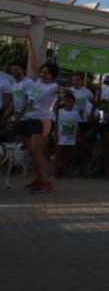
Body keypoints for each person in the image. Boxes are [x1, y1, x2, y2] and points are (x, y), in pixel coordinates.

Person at [22, 38, 59, 193]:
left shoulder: (53, 86)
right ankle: (39, 179)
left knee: (38, 153)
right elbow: (33, 64)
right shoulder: (36, 82)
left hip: (43, 121)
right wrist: (30, 46)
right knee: (32, 152)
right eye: (42, 72)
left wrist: (67, 90)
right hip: (30, 118)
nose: (43, 74)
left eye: (46, 73)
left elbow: (64, 89)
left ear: (52, 75)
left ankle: (45, 183)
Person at [55, 92, 86, 178]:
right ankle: (58, 169)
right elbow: (57, 124)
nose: (68, 103)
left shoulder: (76, 112)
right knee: (59, 152)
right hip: (61, 136)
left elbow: (78, 125)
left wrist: (77, 136)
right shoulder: (60, 112)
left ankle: (65, 170)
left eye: (70, 101)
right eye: (66, 101)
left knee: (68, 154)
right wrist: (56, 135)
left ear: (73, 102)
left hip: (71, 137)